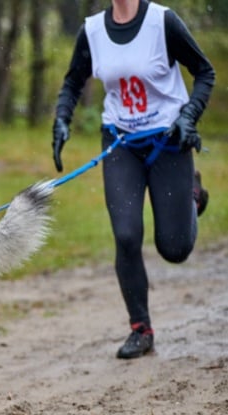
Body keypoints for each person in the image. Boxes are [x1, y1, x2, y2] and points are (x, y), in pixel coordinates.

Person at [52, 0, 215, 359]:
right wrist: (62, 118)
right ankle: (140, 329)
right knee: (126, 235)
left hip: (169, 141)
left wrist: (189, 116)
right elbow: (72, 82)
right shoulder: (92, 31)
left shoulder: (163, 22)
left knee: (174, 249)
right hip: (121, 142)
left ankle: (192, 192)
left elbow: (205, 73)